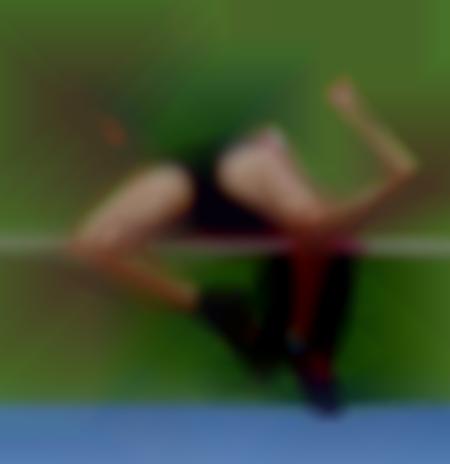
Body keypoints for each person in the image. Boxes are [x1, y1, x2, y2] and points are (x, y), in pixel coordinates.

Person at [69, 77, 418, 413]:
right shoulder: (304, 203)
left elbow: (401, 172)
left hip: (229, 192)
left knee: (313, 236)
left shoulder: (313, 223)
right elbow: (403, 170)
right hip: (206, 176)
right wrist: (355, 112)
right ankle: (211, 306)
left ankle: (267, 335)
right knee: (88, 244)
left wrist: (356, 113)